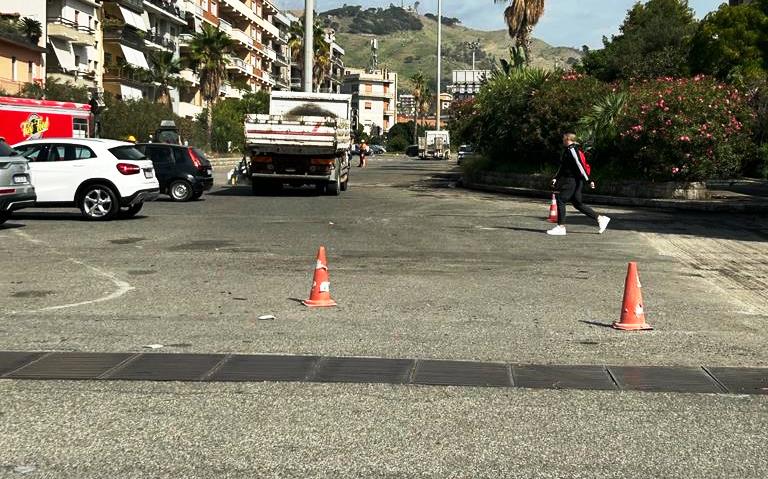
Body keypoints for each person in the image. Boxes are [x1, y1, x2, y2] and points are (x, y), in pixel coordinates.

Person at [547, 133, 610, 236]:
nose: (562, 140)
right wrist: (555, 178)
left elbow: (580, 165)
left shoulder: (572, 150)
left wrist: (589, 180)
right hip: (575, 181)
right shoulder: (567, 150)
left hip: (573, 180)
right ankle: (600, 219)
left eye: (563, 138)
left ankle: (561, 227)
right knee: (577, 203)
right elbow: (563, 167)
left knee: (561, 199)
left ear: (568, 139)